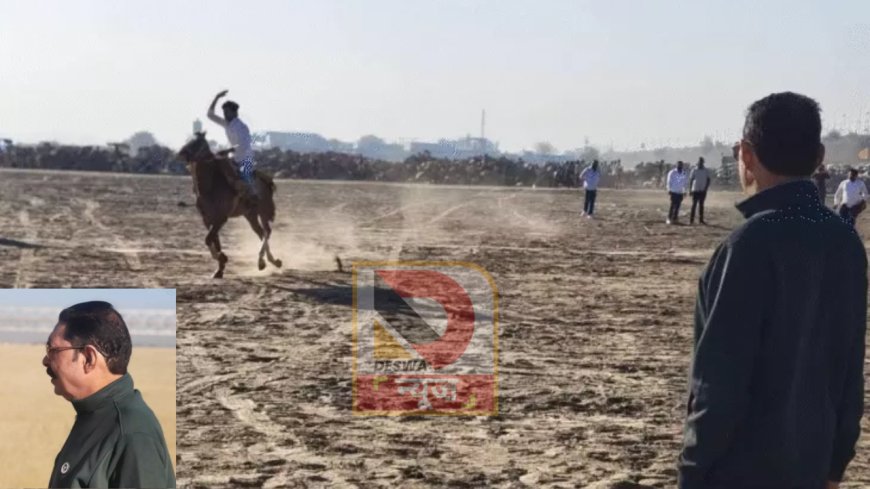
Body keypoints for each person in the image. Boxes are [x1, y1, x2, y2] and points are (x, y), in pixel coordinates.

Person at [678, 92, 866, 489]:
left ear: (745, 155)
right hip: (812, 466)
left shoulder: (747, 245)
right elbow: (849, 366)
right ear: (819, 157)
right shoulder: (845, 242)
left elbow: (719, 381)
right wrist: (835, 465)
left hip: (740, 469)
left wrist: (693, 472)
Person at [45, 301, 175, 489]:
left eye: (53, 350)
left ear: (89, 358)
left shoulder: (132, 433)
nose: (45, 360)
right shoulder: (93, 414)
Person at [207, 89, 257, 200]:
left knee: (246, 178)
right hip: (233, 157)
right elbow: (210, 115)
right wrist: (216, 97)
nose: (224, 114)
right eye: (224, 112)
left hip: (246, 158)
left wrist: (228, 151)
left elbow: (244, 145)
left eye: (227, 112)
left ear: (234, 112)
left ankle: (254, 198)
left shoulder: (242, 127)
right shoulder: (226, 124)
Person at [688, 157, 711, 225]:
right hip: (695, 190)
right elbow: (691, 180)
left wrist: (706, 188)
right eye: (699, 162)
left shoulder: (706, 170)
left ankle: (701, 220)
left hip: (702, 190)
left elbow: (708, 180)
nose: (700, 163)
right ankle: (691, 220)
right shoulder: (694, 170)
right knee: (694, 205)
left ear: (703, 163)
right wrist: (690, 190)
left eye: (701, 162)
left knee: (701, 205)